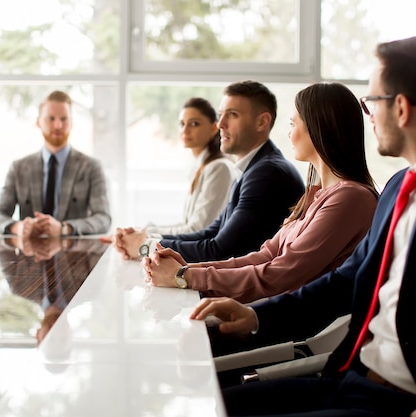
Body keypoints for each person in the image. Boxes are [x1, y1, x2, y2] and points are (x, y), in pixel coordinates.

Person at [189, 36, 416, 417]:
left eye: (371, 102)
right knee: (207, 407)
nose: (367, 114)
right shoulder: (398, 187)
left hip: (406, 400)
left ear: (401, 108)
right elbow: (346, 281)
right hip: (351, 377)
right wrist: (258, 316)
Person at [142, 83, 378, 304]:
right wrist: (189, 270)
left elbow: (281, 273)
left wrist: (185, 276)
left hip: (289, 323)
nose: (289, 134)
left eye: (293, 124)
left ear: (319, 128)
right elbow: (265, 256)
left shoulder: (350, 199)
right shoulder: (315, 195)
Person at [113, 80, 305, 263]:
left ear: (262, 122)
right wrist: (145, 237)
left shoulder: (267, 174)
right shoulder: (253, 168)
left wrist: (144, 246)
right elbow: (210, 232)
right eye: (221, 114)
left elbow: (220, 251)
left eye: (232, 114)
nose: (220, 124)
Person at [0, 90, 112, 238]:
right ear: (38, 122)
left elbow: (103, 219)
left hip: (75, 257)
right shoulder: (19, 168)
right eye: (51, 118)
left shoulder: (91, 167)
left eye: (64, 119)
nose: (58, 125)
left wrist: (64, 228)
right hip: (27, 256)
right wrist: (18, 227)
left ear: (71, 122)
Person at [131, 97, 237, 235]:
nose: (185, 130)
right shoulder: (201, 166)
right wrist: (142, 231)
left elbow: (197, 230)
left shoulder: (219, 168)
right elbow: (188, 225)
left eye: (194, 124)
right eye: (182, 124)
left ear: (213, 128)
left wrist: (145, 234)